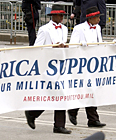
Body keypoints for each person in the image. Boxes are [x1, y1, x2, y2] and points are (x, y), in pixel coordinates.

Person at [25, 4, 71, 134]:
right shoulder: (45, 30)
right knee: (50, 94)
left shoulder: (65, 28)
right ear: (53, 15)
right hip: (48, 66)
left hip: (61, 66)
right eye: (60, 15)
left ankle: (59, 125)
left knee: (61, 94)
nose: (62, 17)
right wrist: (52, 47)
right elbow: (37, 47)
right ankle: (33, 113)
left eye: (63, 15)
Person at [68, 6, 106, 128]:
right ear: (90, 18)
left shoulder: (98, 28)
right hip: (82, 64)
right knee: (83, 90)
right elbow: (72, 46)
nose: (99, 20)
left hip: (94, 64)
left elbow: (99, 43)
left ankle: (92, 119)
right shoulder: (79, 28)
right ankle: (73, 110)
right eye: (97, 17)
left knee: (92, 90)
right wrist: (81, 45)